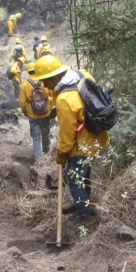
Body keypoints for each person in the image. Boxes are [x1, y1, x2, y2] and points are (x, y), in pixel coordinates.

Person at [35, 55, 110, 218]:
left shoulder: (64, 100)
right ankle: (84, 203)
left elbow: (67, 136)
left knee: (75, 182)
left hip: (81, 146)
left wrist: (61, 156)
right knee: (85, 176)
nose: (44, 86)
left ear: (55, 77)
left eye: (45, 81)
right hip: (98, 138)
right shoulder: (82, 74)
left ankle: (84, 216)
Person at [19, 62, 52, 161]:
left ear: (28, 72)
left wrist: (26, 112)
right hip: (45, 114)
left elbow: (22, 102)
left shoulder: (25, 84)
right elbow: (51, 95)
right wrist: (49, 109)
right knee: (46, 134)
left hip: (33, 115)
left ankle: (38, 159)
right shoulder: (44, 81)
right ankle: (47, 155)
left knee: (36, 136)